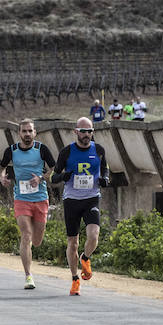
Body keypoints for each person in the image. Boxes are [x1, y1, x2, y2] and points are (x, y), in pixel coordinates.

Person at [50, 117, 111, 296]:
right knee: (73, 243)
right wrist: (64, 177)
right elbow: (53, 177)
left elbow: (105, 169)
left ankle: (86, 258)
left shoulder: (98, 150)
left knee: (93, 236)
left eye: (90, 131)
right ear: (75, 132)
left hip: (91, 198)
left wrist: (105, 179)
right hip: (71, 200)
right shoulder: (66, 152)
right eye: (83, 131)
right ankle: (75, 279)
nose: (86, 135)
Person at [0, 118, 56, 290]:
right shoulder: (12, 151)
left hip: (41, 198)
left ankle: (30, 249)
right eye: (24, 131)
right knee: (26, 235)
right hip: (21, 198)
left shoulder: (41, 149)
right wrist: (2, 177)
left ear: (35, 133)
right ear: (19, 133)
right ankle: (28, 276)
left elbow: (55, 169)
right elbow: (0, 167)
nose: (27, 134)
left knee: (36, 241)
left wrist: (41, 177)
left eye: (30, 131)